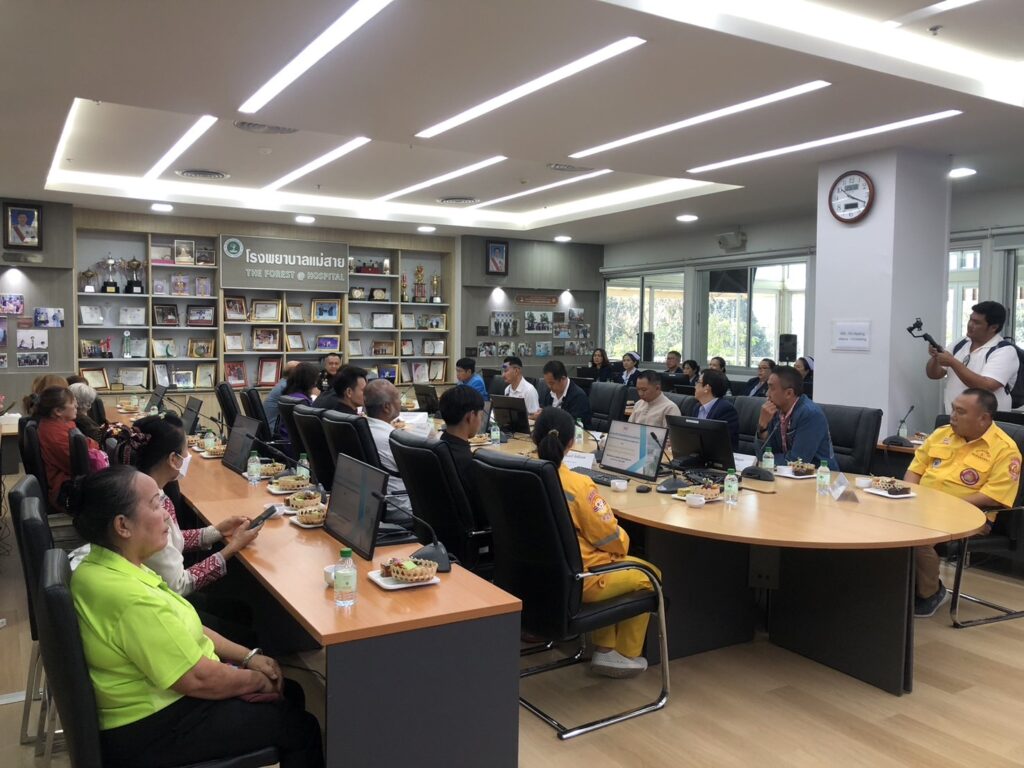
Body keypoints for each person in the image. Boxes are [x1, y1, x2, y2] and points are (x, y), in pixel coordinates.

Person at [68, 466, 324, 768]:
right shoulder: (128, 598)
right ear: (123, 525)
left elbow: (184, 624)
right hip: (153, 727)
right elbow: (199, 679)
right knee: (301, 727)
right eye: (155, 505)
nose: (167, 515)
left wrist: (248, 657)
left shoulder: (109, 563)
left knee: (290, 693)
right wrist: (255, 680)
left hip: (157, 703)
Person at [533, 407, 659, 678]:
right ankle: (624, 654)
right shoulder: (579, 485)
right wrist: (623, 542)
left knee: (611, 562)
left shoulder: (524, 473)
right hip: (581, 579)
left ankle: (605, 648)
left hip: (539, 576)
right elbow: (610, 538)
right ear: (570, 442)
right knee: (650, 575)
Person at [904, 388, 1021, 617]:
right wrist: (910, 496)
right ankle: (894, 588)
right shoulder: (941, 434)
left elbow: (993, 496)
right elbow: (914, 470)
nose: (953, 416)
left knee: (915, 536)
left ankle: (930, 593)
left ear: (983, 418)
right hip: (922, 508)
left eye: (961, 411)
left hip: (970, 517)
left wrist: (946, 505)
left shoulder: (1005, 450)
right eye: (953, 409)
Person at [927, 301, 1017, 413]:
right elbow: (934, 374)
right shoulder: (961, 342)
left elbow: (986, 387)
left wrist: (953, 362)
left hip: (986, 420)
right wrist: (935, 358)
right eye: (970, 319)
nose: (970, 325)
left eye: (977, 322)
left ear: (993, 327)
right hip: (954, 417)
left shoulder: (1005, 351)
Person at [756, 366, 837, 468]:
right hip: (784, 473)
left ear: (789, 393)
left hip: (821, 475)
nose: (767, 393)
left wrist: (767, 461)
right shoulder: (774, 411)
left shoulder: (810, 414)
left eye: (771, 388)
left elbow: (797, 461)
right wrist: (762, 428)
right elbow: (762, 456)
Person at [35, 386, 99, 509]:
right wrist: (92, 444)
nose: (76, 406)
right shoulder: (55, 435)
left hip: (71, 480)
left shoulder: (63, 423)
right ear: (58, 411)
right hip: (67, 489)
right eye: (72, 403)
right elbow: (85, 462)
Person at [438, 385, 486, 520]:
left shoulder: (437, 449)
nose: (481, 421)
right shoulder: (469, 462)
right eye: (480, 415)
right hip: (472, 528)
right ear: (470, 417)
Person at [363, 378, 407, 497]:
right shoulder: (392, 439)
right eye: (398, 398)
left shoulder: (363, 429)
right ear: (386, 407)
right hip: (400, 500)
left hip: (373, 496)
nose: (400, 402)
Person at [689, 369, 739, 450]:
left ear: (707, 388)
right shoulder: (696, 407)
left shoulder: (725, 410)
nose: (695, 386)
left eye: (698, 382)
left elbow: (722, 443)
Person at [539, 360, 592, 427]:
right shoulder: (549, 393)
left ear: (563, 378)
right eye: (547, 383)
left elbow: (574, 424)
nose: (549, 386)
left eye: (551, 383)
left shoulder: (578, 396)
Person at [278, 362, 318, 444]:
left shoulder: (291, 395)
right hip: (298, 445)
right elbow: (310, 429)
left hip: (287, 442)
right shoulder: (301, 401)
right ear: (311, 381)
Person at [263, 360, 300, 436]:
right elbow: (300, 409)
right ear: (295, 374)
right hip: (275, 431)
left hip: (269, 428)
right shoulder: (287, 387)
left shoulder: (282, 383)